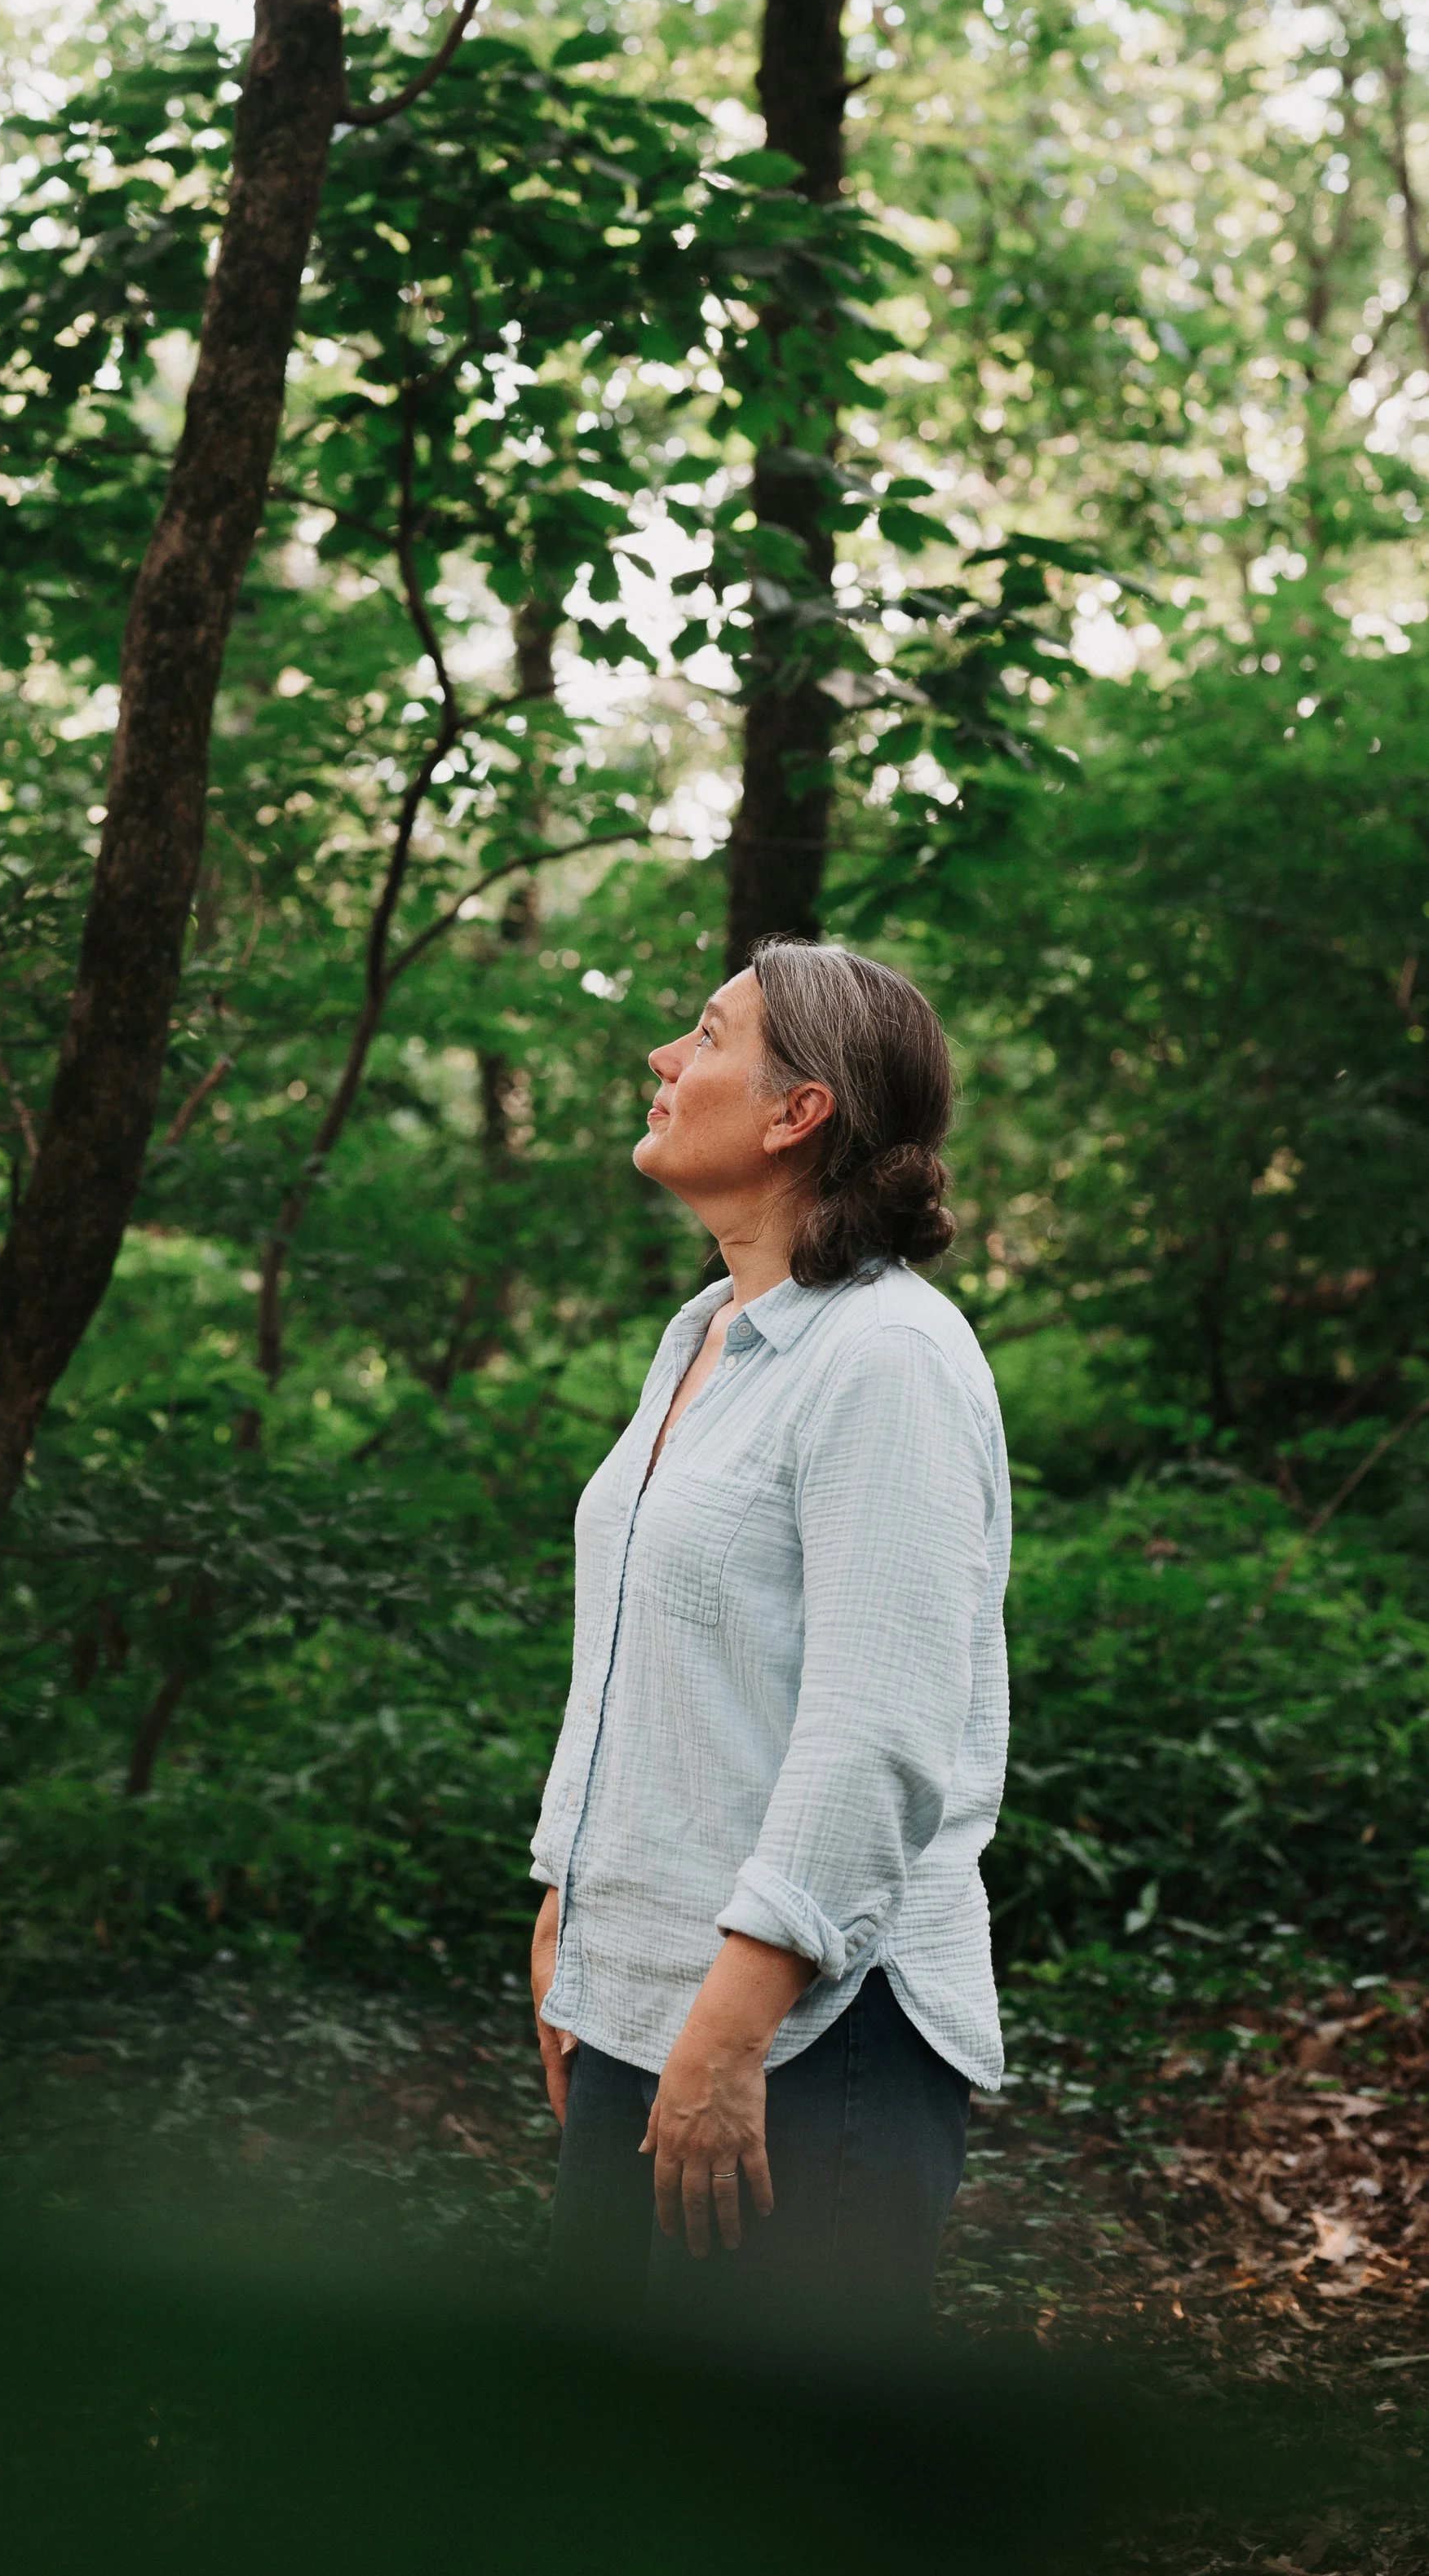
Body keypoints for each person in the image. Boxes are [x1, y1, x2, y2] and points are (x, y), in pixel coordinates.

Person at [529, 935, 1009, 2338]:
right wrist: (572, 1904)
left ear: (800, 1111)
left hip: (808, 2032)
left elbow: (880, 1727)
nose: (665, 1062)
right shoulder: (704, 1339)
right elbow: (635, 1654)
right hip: (645, 2002)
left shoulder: (889, 1359)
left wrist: (731, 2027)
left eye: (706, 1036)